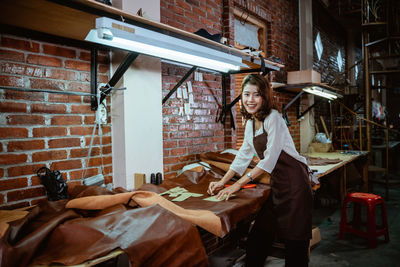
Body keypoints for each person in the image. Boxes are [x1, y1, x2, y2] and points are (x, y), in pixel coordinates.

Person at [207, 74, 313, 267]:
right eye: (246, 94)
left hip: (296, 186)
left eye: (256, 95)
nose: (250, 100)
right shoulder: (250, 123)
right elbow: (243, 156)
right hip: (278, 186)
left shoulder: (274, 118)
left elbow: (269, 161)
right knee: (258, 238)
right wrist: (223, 181)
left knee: (295, 246)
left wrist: (237, 186)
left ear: (264, 97)